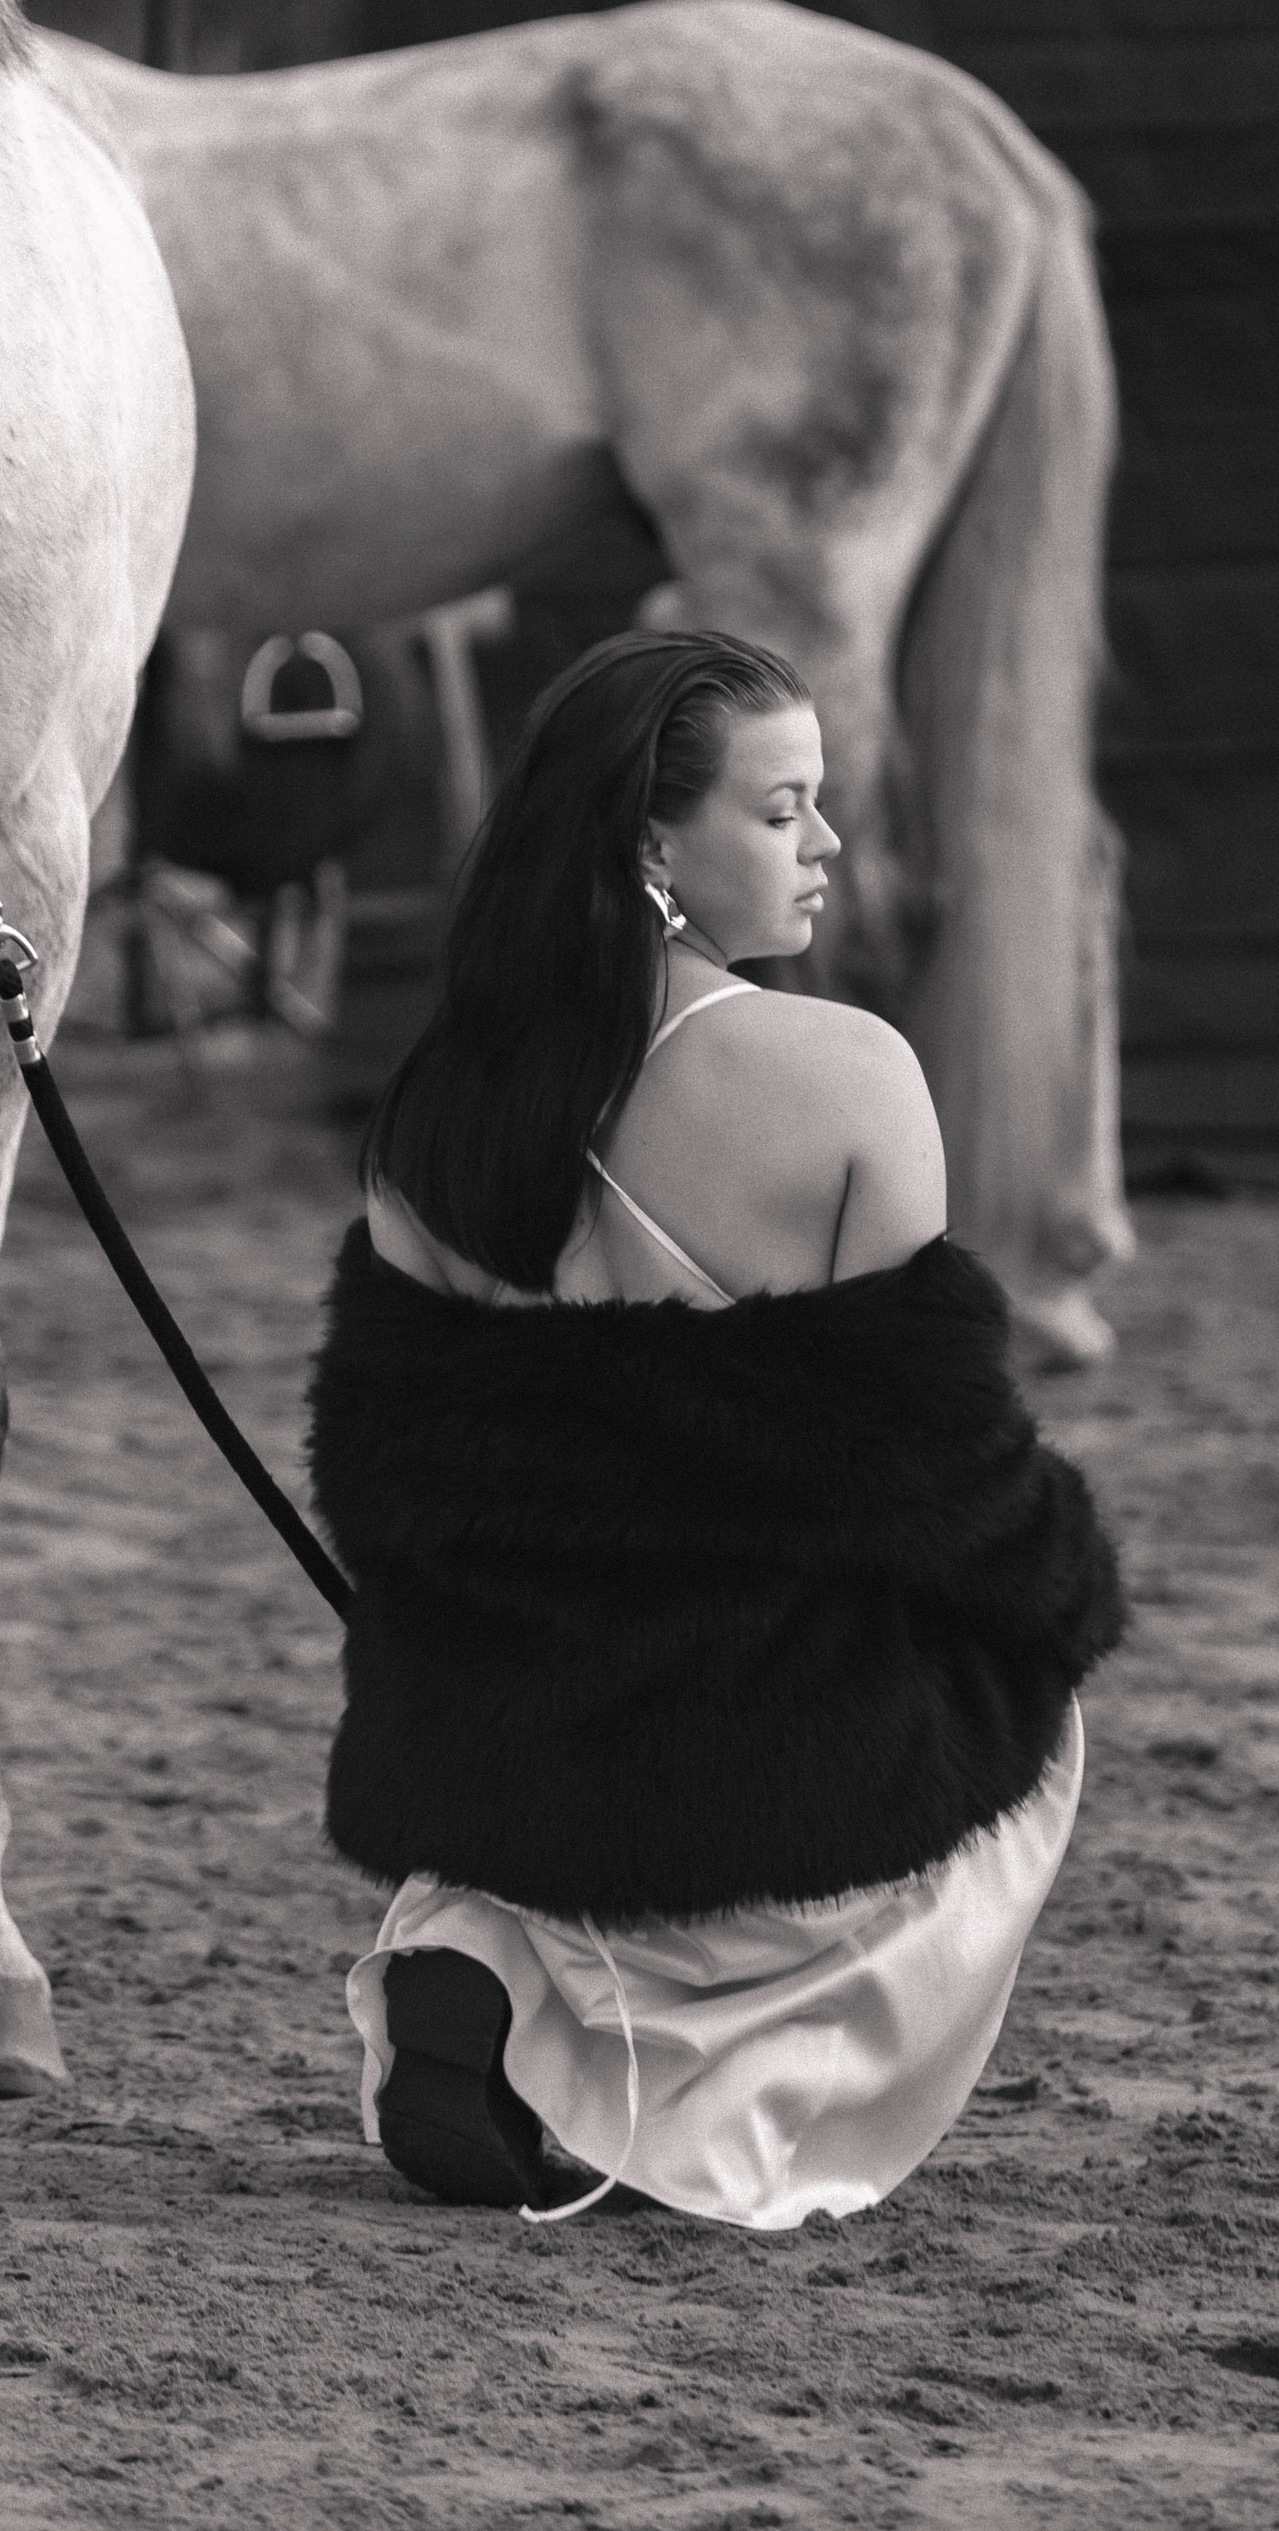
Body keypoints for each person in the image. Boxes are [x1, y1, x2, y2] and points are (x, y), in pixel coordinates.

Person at [306, 629, 1124, 2231]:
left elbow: (382, 1496)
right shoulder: (847, 1074)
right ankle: (686, 2091)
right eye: (783, 809)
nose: (827, 846)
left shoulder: (435, 1107)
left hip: (514, 1775)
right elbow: (947, 1475)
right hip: (758, 1791)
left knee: (555, 1780)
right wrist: (1065, 1609)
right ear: (650, 846)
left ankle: (488, 1951)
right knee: (1032, 1725)